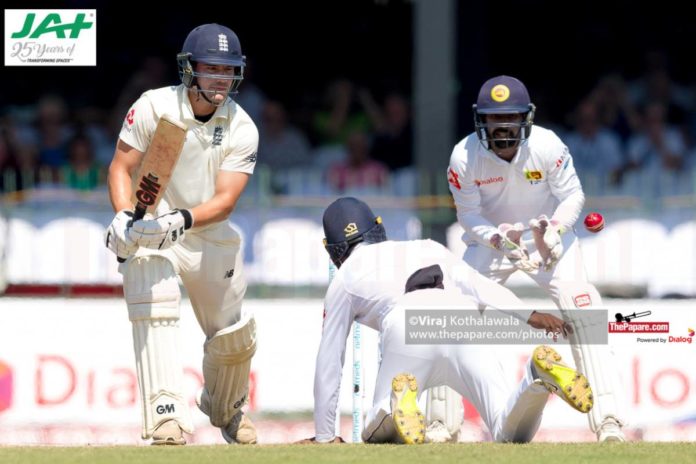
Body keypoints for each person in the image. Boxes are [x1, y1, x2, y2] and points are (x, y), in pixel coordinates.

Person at [299, 197, 592, 444]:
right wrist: (530, 314)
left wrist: (325, 436)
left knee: (377, 435)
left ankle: (395, 404)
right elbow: (479, 285)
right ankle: (537, 379)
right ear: (377, 228)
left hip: (407, 324)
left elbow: (330, 359)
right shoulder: (427, 246)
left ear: (333, 248)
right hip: (461, 318)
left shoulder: (345, 278)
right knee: (508, 433)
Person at [446, 75, 626, 442]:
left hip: (546, 238)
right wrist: (498, 239)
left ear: (526, 116)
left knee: (585, 305)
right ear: (481, 119)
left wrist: (555, 231)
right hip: (493, 243)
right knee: (452, 312)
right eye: (495, 118)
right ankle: (440, 425)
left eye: (510, 116)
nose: (503, 126)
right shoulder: (463, 157)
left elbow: (573, 196)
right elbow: (468, 215)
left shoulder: (547, 144)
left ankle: (609, 421)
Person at [105, 23, 258, 445]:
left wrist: (183, 220)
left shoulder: (242, 127)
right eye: (211, 69)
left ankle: (228, 410)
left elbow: (226, 200)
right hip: (154, 228)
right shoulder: (154, 107)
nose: (220, 80)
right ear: (189, 69)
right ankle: (165, 414)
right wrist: (125, 219)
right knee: (151, 292)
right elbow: (122, 167)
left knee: (233, 337)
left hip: (208, 233)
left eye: (228, 71)